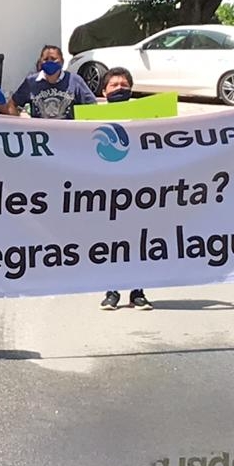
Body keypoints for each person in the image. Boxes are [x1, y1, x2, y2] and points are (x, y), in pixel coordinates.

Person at [95, 68, 153, 311]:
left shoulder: (146, 116)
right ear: (104, 91)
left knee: (138, 241)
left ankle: (138, 292)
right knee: (111, 242)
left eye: (124, 84)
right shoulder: (92, 119)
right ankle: (112, 292)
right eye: (114, 85)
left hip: (138, 189)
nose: (119, 88)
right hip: (105, 190)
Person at [8, 44, 97, 119]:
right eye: (46, 59)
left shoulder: (74, 80)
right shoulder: (31, 82)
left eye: (53, 59)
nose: (49, 62)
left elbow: (92, 106)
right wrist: (20, 122)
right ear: (40, 62)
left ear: (62, 62)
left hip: (68, 134)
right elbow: (11, 104)